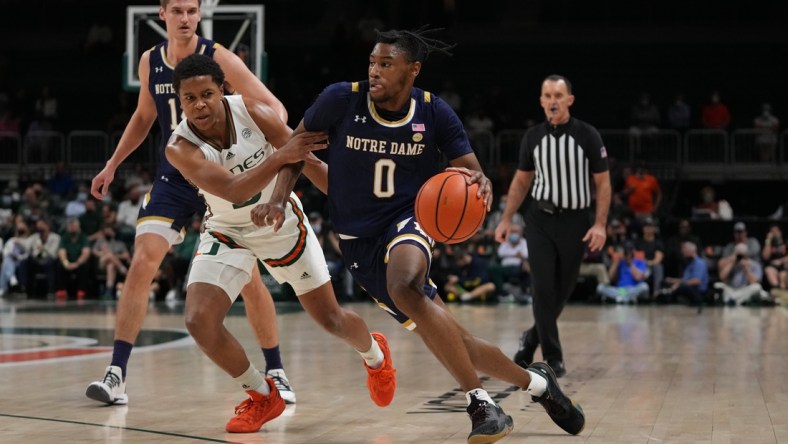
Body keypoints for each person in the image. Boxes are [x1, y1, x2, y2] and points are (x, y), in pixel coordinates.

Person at [293, 28, 585, 443]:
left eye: (386, 64)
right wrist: (276, 195)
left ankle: (480, 402)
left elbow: (470, 171)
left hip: (408, 220)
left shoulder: (434, 112)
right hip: (358, 241)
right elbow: (295, 148)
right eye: (372, 63)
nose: (375, 71)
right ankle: (538, 384)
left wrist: (479, 184)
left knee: (406, 286)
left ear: (413, 70)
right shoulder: (341, 99)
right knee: (454, 338)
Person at [164, 54, 395, 433]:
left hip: (280, 222)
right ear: (180, 101)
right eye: (189, 99)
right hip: (227, 228)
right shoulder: (179, 147)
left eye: (206, 93)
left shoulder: (254, 112)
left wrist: (361, 211)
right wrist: (282, 155)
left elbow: (306, 161)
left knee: (331, 319)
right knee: (199, 320)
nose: (199, 104)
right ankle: (262, 394)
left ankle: (374, 353)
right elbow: (232, 190)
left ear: (223, 90)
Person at [86, 0, 295, 406]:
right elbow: (145, 116)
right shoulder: (149, 61)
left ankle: (276, 369)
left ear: (200, 14)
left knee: (249, 280)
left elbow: (276, 108)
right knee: (142, 260)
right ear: (161, 14)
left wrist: (265, 155)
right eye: (177, 10)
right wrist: (112, 164)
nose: (185, 18)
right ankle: (116, 374)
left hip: (222, 174)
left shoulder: (219, 58)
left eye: (191, 11)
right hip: (175, 177)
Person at [495, 74, 611, 378]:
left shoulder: (587, 135)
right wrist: (506, 218)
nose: (553, 101)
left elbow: (603, 182)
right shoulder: (533, 137)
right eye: (547, 96)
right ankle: (553, 357)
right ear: (541, 101)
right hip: (540, 220)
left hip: (576, 221)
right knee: (543, 288)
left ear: (569, 100)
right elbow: (521, 181)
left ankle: (529, 340)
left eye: (558, 95)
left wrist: (600, 224)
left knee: (563, 290)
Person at [659, 241, 709, 307]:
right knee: (666, 281)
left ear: (690, 251)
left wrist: (679, 284)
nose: (682, 252)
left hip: (697, 291)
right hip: (688, 286)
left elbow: (696, 281)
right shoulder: (689, 264)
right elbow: (686, 279)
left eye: (684, 250)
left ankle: (671, 299)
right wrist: (673, 280)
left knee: (682, 287)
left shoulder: (699, 263)